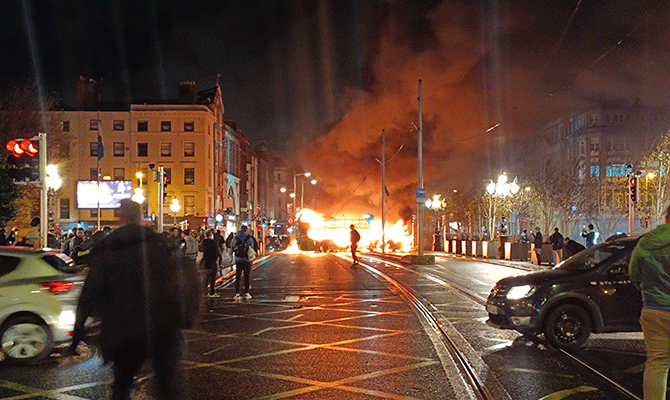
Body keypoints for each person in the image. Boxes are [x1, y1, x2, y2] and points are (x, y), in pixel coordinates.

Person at [69, 199, 199, 400]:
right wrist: (186, 317)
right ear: (141, 216)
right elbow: (183, 279)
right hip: (161, 328)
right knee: (167, 387)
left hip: (122, 328)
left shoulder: (106, 247)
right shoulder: (161, 243)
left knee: (122, 385)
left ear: (120, 216)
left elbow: (89, 293)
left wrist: (77, 334)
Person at [629, 205, 670, 400]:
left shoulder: (647, 241)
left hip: (653, 309)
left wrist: (650, 291)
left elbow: (634, 274)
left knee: (657, 364)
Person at [230, 225, 255, 301]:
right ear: (246, 230)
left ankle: (237, 293)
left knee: (238, 276)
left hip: (238, 260)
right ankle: (247, 293)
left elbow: (231, 248)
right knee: (247, 276)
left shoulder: (235, 238)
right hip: (247, 260)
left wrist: (232, 258)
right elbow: (252, 249)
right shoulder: (249, 238)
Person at [200, 229, 221, 297]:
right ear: (211, 235)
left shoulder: (202, 243)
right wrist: (219, 259)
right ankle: (212, 292)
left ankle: (204, 292)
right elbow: (217, 251)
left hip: (205, 262)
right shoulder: (213, 242)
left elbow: (200, 251)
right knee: (212, 278)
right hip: (212, 261)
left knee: (205, 278)